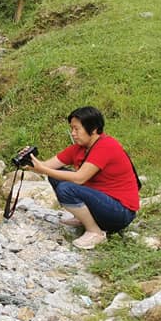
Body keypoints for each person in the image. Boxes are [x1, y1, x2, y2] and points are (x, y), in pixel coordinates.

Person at [29, 106, 140, 250]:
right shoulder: (79, 148)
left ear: (93, 129)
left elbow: (79, 178)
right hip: (101, 202)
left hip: (120, 212)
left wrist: (43, 169)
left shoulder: (106, 146)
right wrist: (29, 163)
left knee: (66, 188)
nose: (73, 133)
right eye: (72, 129)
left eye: (77, 129)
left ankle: (95, 232)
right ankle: (83, 218)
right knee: (56, 176)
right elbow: (47, 166)